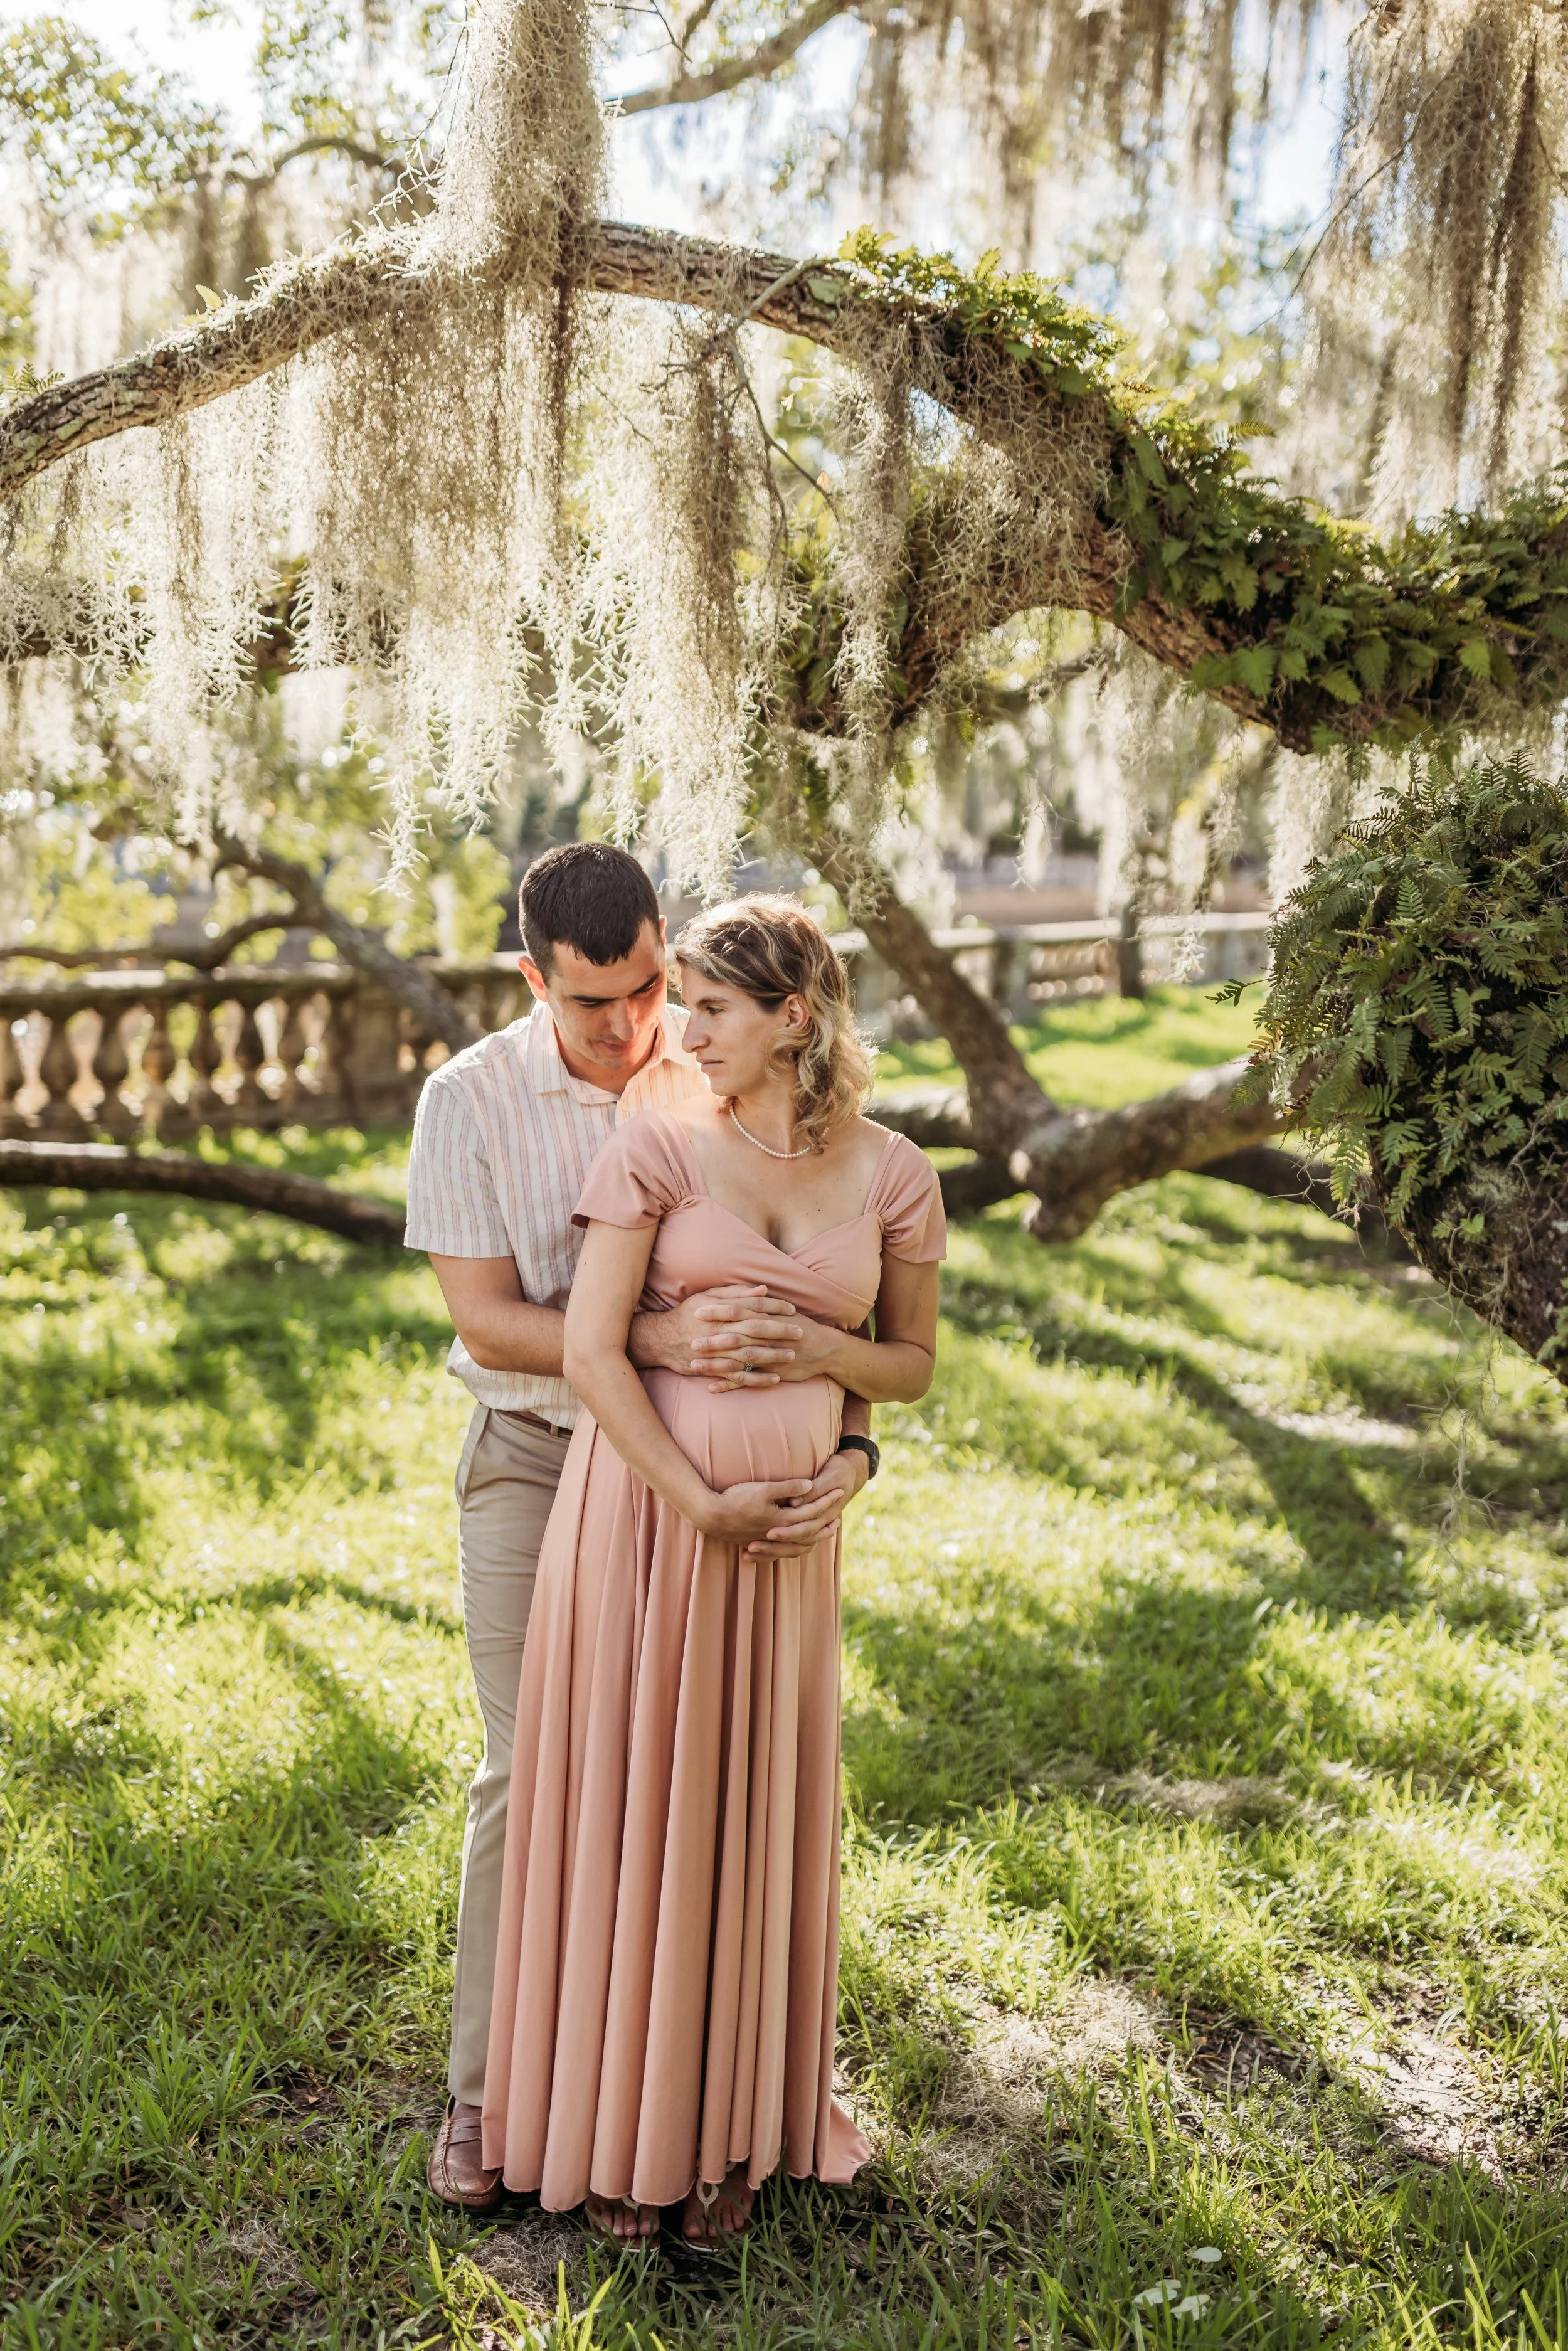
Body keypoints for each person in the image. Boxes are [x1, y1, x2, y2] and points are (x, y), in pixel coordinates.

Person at [404, 843, 877, 2213]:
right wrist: (648, 1334)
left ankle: (689, 2092)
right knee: (528, 1770)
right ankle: (490, 2094)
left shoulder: (717, 1059)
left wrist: (852, 1438)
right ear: (529, 978)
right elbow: (488, 1319)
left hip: (697, 1472)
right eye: (591, 1003)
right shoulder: (470, 1098)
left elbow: (829, 1279)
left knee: (697, 1770)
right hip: (537, 1458)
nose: (630, 1027)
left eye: (647, 988)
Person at [481, 893, 945, 2247]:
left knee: (751, 1814)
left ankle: (734, 2127)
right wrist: (696, 1502)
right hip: (645, 1526)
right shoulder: (659, 1146)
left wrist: (828, 1397)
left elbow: (910, 1364)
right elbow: (588, 1352)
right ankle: (623, 2130)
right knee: (642, 1803)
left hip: (793, 1544)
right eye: (680, 1003)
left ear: (793, 1017)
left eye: (711, 1009)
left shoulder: (895, 1171)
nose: (680, 1032)